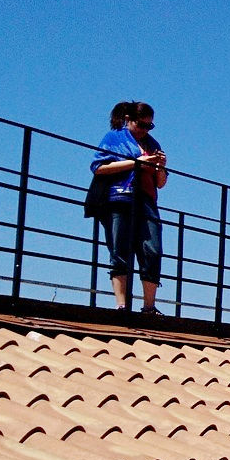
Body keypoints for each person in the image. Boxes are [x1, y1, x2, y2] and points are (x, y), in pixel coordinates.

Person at [90, 101, 167, 314]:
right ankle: (121, 304)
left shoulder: (153, 144)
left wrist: (160, 166)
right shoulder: (114, 138)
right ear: (128, 120)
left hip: (146, 200)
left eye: (149, 126)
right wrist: (137, 162)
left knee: (153, 249)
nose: (144, 130)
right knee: (119, 249)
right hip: (119, 197)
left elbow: (160, 182)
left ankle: (149, 306)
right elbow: (98, 167)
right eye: (141, 125)